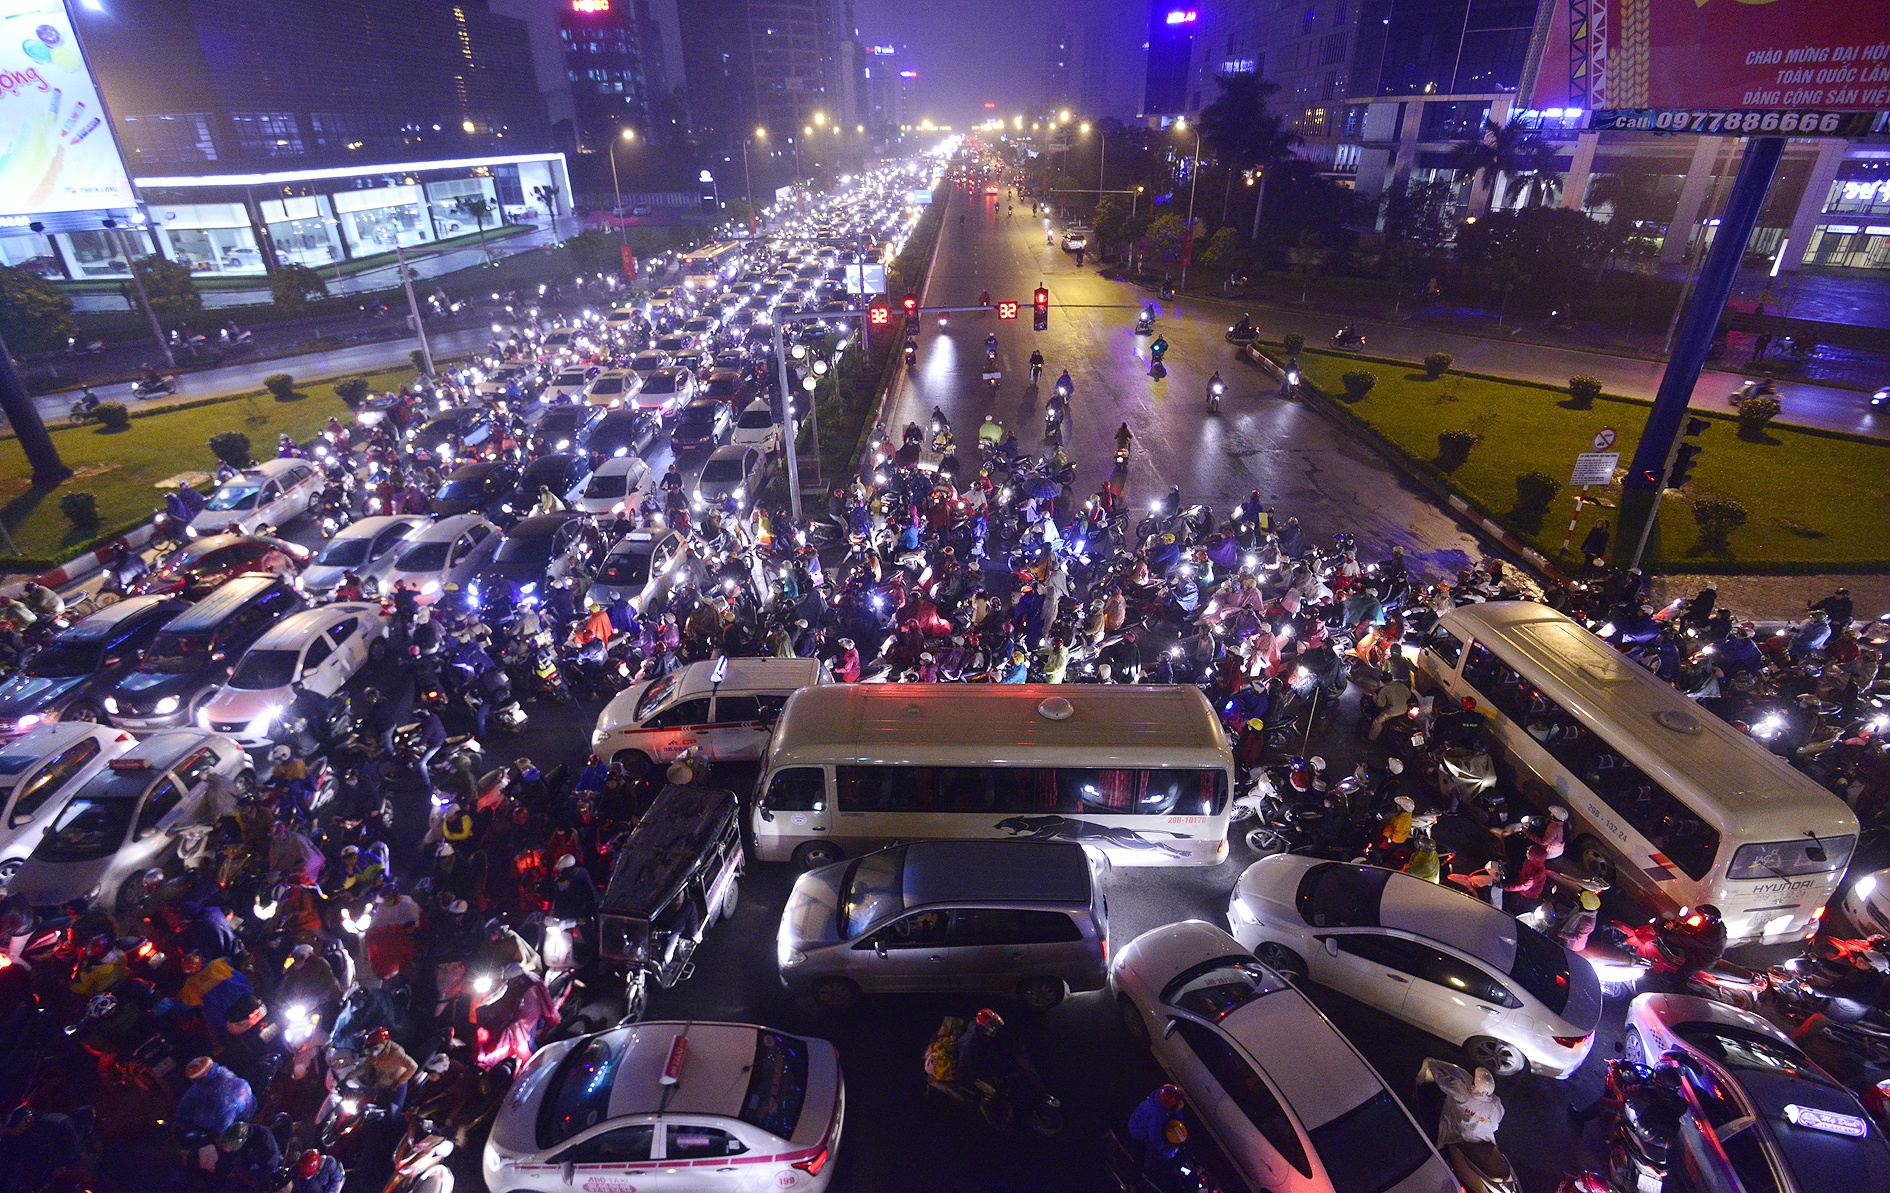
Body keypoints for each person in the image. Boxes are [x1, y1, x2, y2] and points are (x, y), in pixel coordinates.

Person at [1658, 904, 1727, 986]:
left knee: (1682, 974)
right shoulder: (1712, 925)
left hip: (1704, 959)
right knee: (1677, 944)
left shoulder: (1713, 936)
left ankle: (1677, 989)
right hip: (1700, 951)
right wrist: (1681, 925)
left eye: (1704, 916)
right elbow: (1698, 929)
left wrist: (1666, 935)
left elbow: (1689, 941)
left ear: (1709, 918)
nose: (1702, 917)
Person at [1127, 1084, 1186, 1178]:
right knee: (1147, 1158)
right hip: (1139, 1133)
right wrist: (1169, 1152)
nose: (1180, 1105)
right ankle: (1135, 1180)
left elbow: (1176, 1115)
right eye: (1177, 1103)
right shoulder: (1156, 1115)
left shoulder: (1163, 1099)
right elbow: (1155, 1139)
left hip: (1150, 1125)